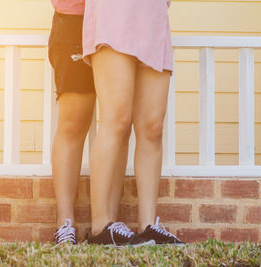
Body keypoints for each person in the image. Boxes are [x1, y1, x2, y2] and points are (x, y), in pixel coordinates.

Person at [83, 0, 184, 246]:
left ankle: (149, 226)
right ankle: (100, 226)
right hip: (113, 15)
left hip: (153, 19)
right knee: (116, 120)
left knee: (152, 128)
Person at [48, 0, 129, 244]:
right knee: (73, 123)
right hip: (76, 20)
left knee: (118, 124)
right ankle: (65, 224)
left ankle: (108, 225)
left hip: (117, 25)